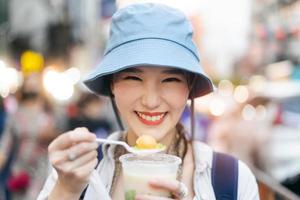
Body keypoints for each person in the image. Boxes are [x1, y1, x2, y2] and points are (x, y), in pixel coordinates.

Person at [38, 3, 259, 200]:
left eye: (170, 79)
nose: (151, 101)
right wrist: (66, 192)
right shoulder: (75, 172)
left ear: (189, 87)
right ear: (112, 84)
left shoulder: (232, 181)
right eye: (133, 78)